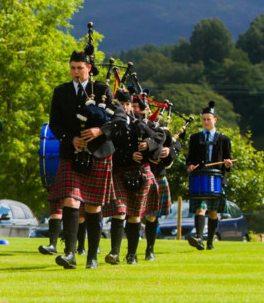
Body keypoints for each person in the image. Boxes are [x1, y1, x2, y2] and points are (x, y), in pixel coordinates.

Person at [48, 51, 125, 269]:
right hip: (72, 153)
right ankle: (70, 254)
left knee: (93, 206)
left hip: (99, 153)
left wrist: (100, 130)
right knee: (70, 200)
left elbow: (120, 118)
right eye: (72, 68)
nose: (75, 72)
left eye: (80, 68)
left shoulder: (102, 89)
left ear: (88, 68)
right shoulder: (61, 92)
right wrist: (70, 138)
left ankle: (92, 256)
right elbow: (55, 123)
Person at [104, 90, 164, 265]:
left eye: (127, 104)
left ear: (131, 105)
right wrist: (128, 156)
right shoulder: (111, 125)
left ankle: (132, 254)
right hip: (120, 171)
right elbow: (108, 151)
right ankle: (114, 252)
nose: (124, 108)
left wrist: (148, 144)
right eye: (121, 105)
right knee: (119, 211)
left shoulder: (140, 124)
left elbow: (159, 137)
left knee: (135, 215)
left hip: (141, 173)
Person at [186, 101, 232, 250]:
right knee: (201, 208)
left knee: (213, 212)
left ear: (215, 120)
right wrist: (189, 166)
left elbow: (228, 160)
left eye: (208, 119)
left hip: (217, 179)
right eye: (203, 119)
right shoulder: (194, 138)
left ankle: (210, 242)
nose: (206, 122)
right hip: (200, 178)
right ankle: (199, 238)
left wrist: (227, 164)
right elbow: (189, 159)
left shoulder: (224, 139)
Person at [144, 125, 182, 260]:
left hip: (158, 173)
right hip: (138, 172)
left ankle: (150, 249)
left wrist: (169, 150)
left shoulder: (158, 126)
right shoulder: (137, 123)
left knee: (152, 215)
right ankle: (130, 252)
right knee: (133, 214)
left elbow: (177, 144)